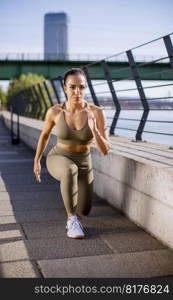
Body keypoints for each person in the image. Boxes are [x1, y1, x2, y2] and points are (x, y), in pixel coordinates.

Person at [33, 68, 112, 239]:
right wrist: (37, 160)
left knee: (85, 209)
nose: (77, 91)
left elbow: (105, 150)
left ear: (86, 88)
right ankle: (71, 221)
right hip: (58, 157)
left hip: (84, 161)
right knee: (70, 170)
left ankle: (77, 212)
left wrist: (95, 131)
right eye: (73, 87)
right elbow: (45, 135)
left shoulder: (97, 112)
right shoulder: (54, 111)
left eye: (82, 87)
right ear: (65, 88)